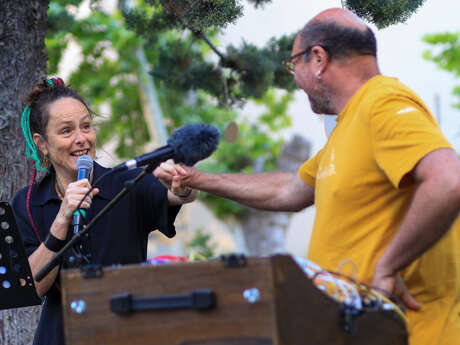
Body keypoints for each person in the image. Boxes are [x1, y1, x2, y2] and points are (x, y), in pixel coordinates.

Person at [154, 8, 460, 345]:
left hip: (414, 334)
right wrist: (198, 178)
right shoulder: (349, 125)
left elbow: (448, 180)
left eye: (293, 64)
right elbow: (289, 189)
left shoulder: (383, 103)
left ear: (318, 59)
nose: (294, 78)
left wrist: (387, 266)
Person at [12, 77, 198, 345]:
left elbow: (181, 195)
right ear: (41, 143)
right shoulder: (28, 203)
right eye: (66, 131)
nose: (81, 139)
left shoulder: (125, 182)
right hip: (59, 336)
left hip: (126, 331)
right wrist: (62, 219)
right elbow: (32, 287)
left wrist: (183, 185)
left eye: (86, 127)